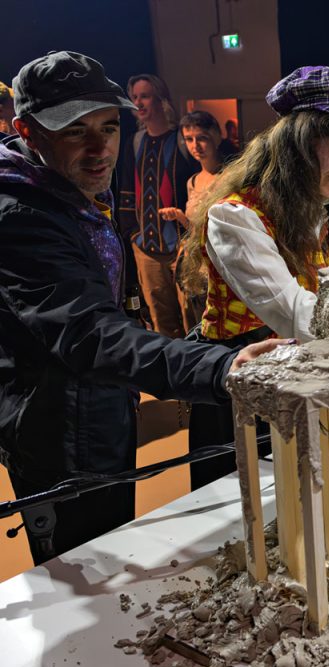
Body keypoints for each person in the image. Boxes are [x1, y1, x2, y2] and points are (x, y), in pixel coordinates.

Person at [0, 51, 283, 564]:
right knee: (87, 565)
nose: (99, 148)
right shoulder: (22, 215)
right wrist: (221, 366)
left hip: (97, 403)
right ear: (28, 131)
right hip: (60, 426)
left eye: (108, 128)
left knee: (112, 542)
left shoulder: (62, 189)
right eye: (74, 131)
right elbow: (92, 334)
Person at [180, 65, 329, 489]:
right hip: (245, 385)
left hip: (304, 377)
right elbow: (293, 312)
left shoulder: (327, 214)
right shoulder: (236, 217)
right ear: (299, 144)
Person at [117, 73, 199, 338]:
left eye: (145, 96)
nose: (138, 103)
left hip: (181, 247)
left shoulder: (182, 141)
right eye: (134, 97)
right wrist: (132, 234)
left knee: (192, 317)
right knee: (161, 322)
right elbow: (127, 191)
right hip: (146, 248)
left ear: (161, 99)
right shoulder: (134, 142)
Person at [159, 110, 230, 329]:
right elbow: (194, 229)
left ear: (216, 136)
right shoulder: (193, 181)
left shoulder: (229, 178)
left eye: (202, 138)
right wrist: (180, 217)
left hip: (219, 264)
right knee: (194, 322)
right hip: (194, 263)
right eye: (189, 139)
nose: (195, 145)